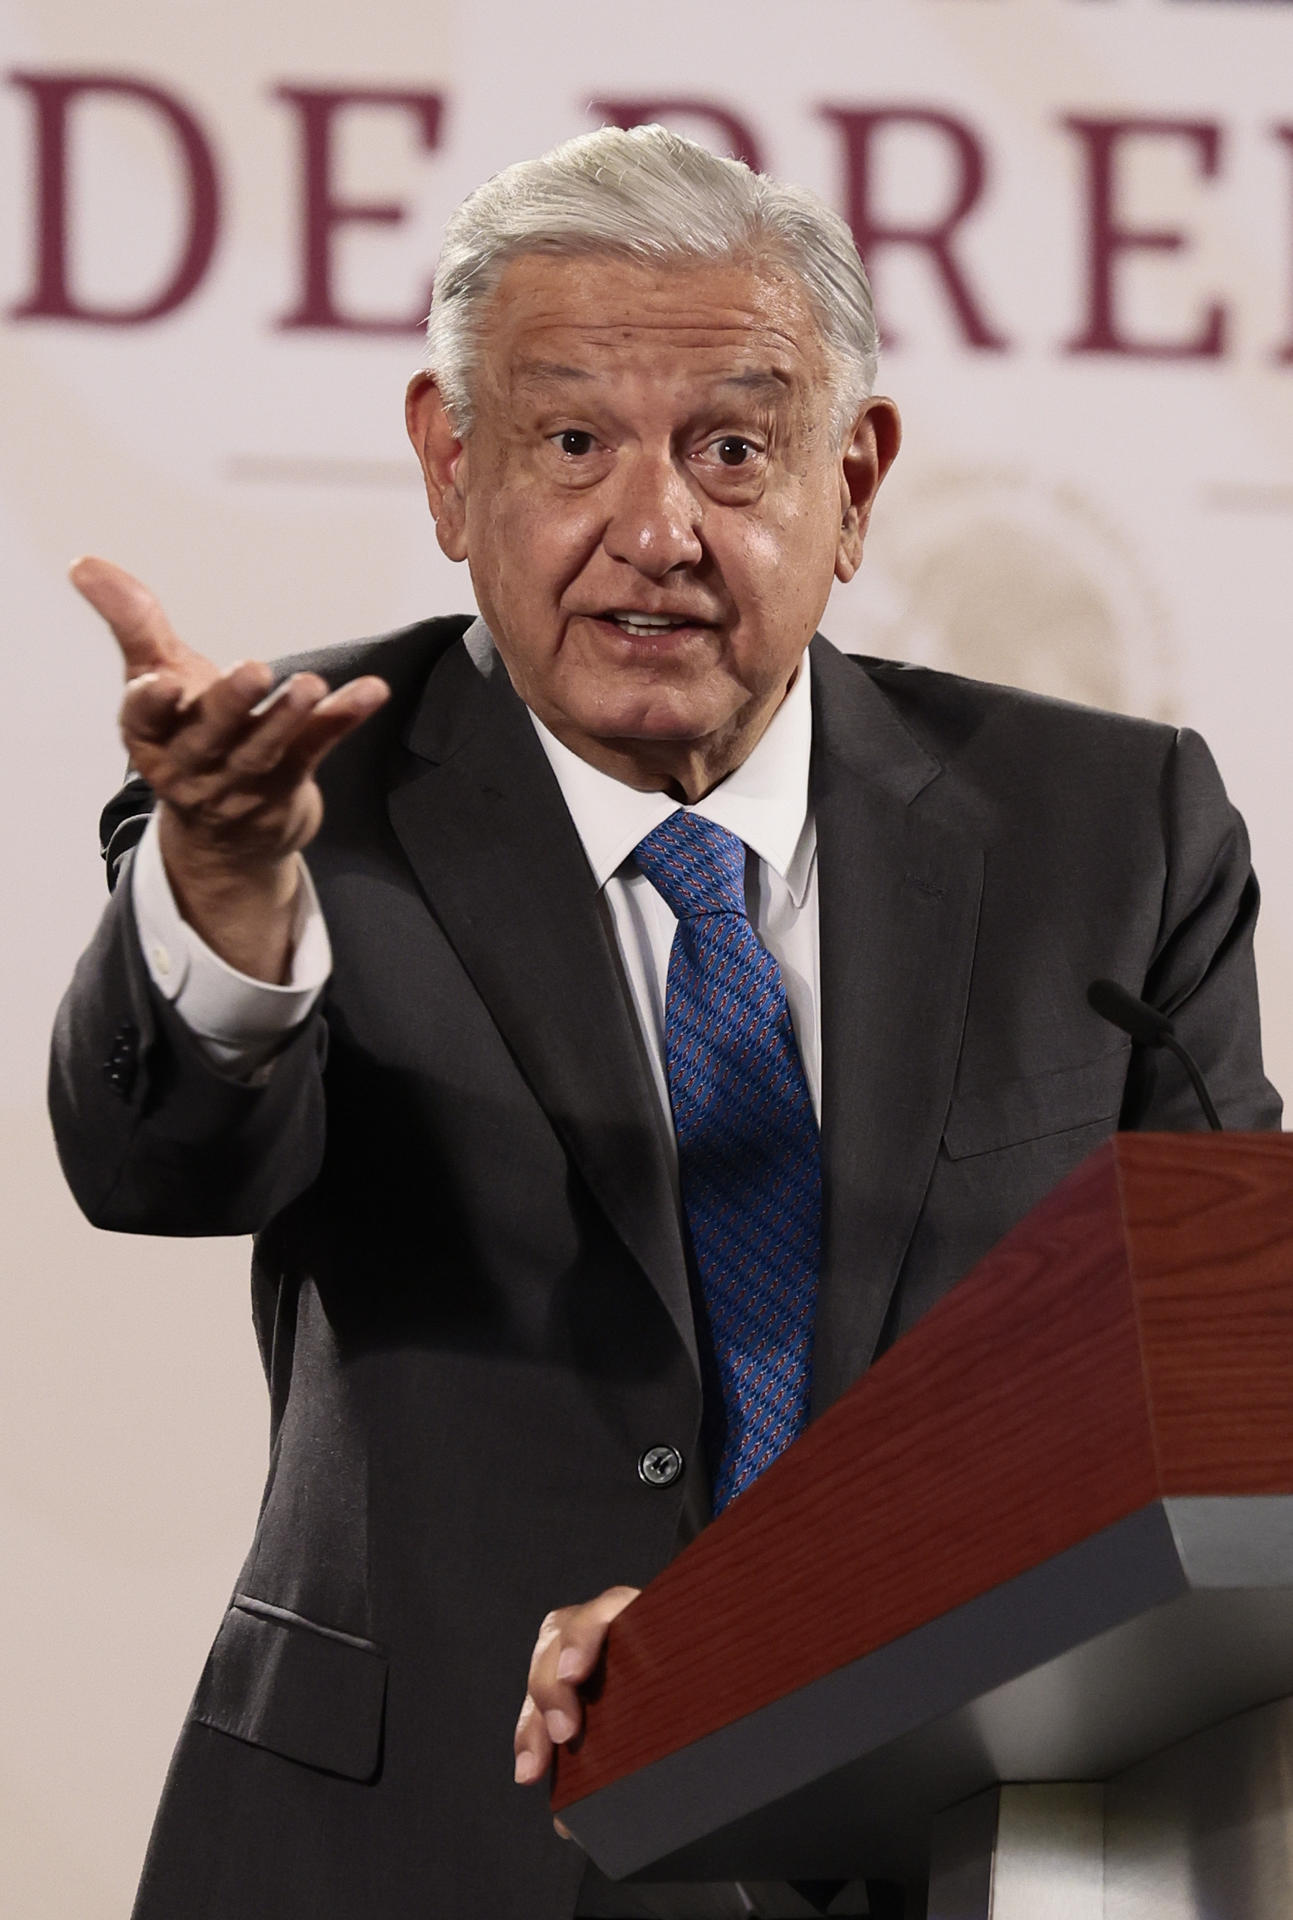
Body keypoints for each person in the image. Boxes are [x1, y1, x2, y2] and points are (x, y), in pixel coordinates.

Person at [50, 125, 1280, 1920]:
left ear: (852, 483)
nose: (654, 531)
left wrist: (777, 1643)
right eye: (568, 443)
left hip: (952, 1846)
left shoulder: (1108, 830)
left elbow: (1223, 1397)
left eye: (731, 447)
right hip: (407, 1847)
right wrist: (227, 893)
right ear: (448, 467)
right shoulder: (310, 801)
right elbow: (161, 1163)